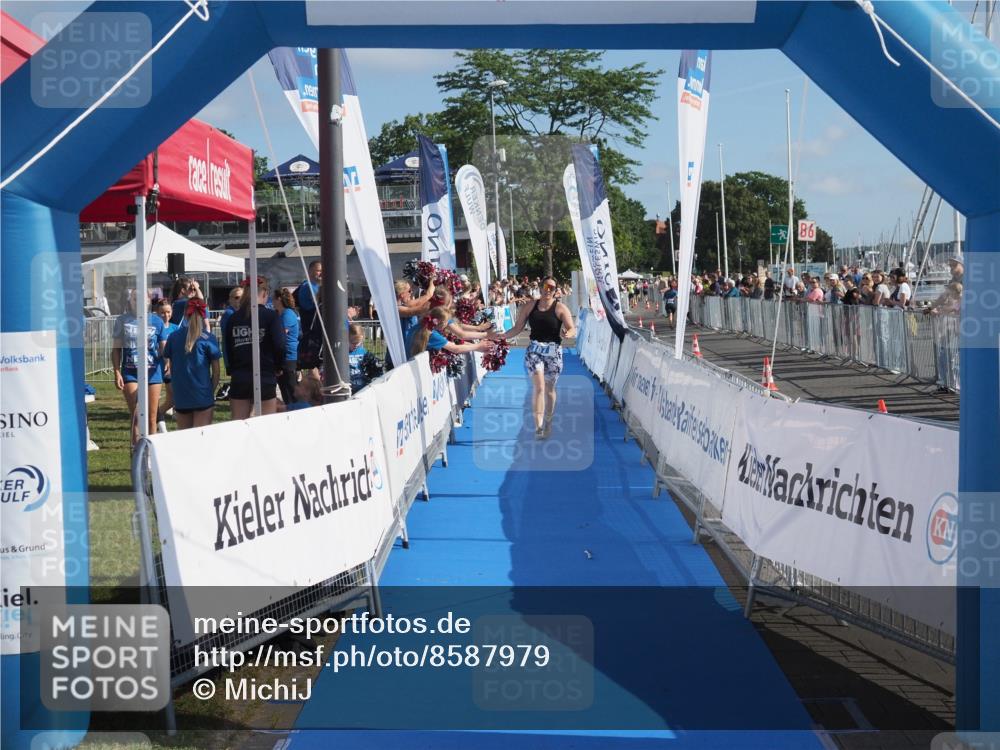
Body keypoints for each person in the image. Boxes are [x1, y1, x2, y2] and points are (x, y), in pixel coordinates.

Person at [489, 276, 576, 439]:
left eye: (552, 288)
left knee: (549, 390)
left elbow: (572, 328)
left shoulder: (560, 308)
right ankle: (538, 427)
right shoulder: (530, 306)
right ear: (541, 288)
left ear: (556, 291)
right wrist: (502, 337)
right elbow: (517, 328)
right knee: (540, 387)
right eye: (546, 286)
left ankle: (548, 423)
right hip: (534, 351)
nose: (548, 290)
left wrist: (568, 333)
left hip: (553, 352)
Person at [223, 276, 286, 419]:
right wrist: (279, 366)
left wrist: (232, 369)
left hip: (240, 375)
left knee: (239, 424)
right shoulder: (271, 316)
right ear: (264, 294)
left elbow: (227, 347)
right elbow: (280, 345)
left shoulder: (233, 318)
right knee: (267, 424)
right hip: (264, 374)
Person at [112, 290, 167, 445]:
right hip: (131, 372)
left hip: (153, 372)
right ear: (130, 301)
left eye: (143, 299)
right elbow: (116, 349)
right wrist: (117, 372)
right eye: (135, 299)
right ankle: (137, 454)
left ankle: (151, 455)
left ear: (149, 302)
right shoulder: (122, 320)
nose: (139, 302)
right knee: (136, 415)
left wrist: (168, 359)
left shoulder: (156, 321)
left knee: (151, 417)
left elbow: (163, 347)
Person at [162, 298, 221, 429]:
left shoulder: (173, 337)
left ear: (184, 314)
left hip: (181, 395)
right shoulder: (209, 338)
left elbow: (170, 365)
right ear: (203, 314)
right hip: (203, 395)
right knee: (201, 440)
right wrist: (210, 391)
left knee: (185, 442)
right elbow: (216, 372)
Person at [408, 307, 491, 358]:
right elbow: (456, 348)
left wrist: (477, 347)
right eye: (447, 322)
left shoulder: (422, 324)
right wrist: (478, 346)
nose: (448, 324)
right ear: (439, 322)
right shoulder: (432, 334)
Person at [394, 278, 436, 365]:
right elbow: (421, 309)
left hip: (410, 351)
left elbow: (428, 295)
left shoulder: (406, 304)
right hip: (400, 358)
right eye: (409, 291)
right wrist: (438, 300)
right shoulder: (395, 309)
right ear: (402, 294)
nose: (411, 293)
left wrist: (432, 282)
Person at [272, 287, 300, 406]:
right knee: (284, 388)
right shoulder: (281, 314)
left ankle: (296, 409)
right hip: (283, 355)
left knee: (290, 389)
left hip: (288, 356)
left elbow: (281, 334)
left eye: (273, 299)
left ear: (279, 299)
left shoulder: (287, 314)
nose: (271, 301)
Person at [295, 261, 323, 373]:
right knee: (314, 367)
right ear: (310, 271)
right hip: (312, 334)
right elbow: (311, 306)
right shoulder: (308, 287)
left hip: (318, 334)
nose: (321, 273)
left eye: (322, 271)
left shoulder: (316, 286)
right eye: (318, 270)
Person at [155, 299, 178, 433]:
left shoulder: (175, 328)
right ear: (157, 313)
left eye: (168, 312)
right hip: (158, 367)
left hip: (172, 367)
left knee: (172, 398)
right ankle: (156, 417)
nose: (166, 315)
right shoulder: (154, 327)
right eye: (162, 312)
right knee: (173, 397)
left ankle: (157, 415)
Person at [348, 323, 370, 392]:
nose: (356, 345)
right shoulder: (342, 353)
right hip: (348, 388)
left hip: (361, 388)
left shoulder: (364, 352)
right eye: (353, 343)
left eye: (358, 342)